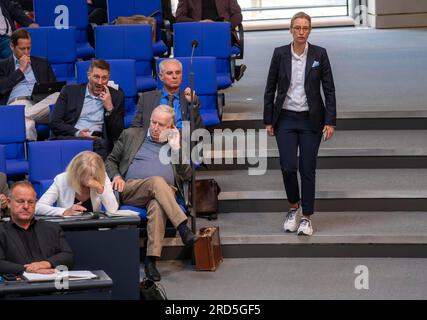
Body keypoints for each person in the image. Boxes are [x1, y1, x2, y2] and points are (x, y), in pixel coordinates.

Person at [263, 12, 336, 236]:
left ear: (310, 30)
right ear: (291, 30)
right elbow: (270, 87)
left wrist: (330, 121)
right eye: (297, 28)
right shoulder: (280, 54)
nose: (301, 32)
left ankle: (306, 217)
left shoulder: (319, 54)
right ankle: (293, 207)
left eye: (305, 28)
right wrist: (268, 119)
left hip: (310, 119)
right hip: (284, 117)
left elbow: (329, 89)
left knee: (307, 168)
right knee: (287, 167)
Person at [106, 105, 198, 282]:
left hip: (165, 195)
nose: (155, 128)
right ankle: (182, 227)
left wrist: (176, 148)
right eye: (153, 122)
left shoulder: (178, 142)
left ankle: (151, 261)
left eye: (161, 125)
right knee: (156, 181)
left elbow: (186, 174)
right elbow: (110, 160)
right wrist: (116, 175)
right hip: (132, 189)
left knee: (157, 205)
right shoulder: (130, 135)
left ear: (171, 127)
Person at [49, 59, 125, 159]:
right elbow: (54, 122)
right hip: (71, 138)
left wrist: (110, 107)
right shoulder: (69, 91)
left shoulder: (116, 96)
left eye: (104, 78)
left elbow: (118, 133)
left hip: (96, 143)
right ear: (89, 75)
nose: (100, 82)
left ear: (108, 78)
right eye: (96, 77)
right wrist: (78, 133)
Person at [0, 181, 73, 275]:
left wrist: (46, 263)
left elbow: (67, 256)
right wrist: (26, 269)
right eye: (20, 201)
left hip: (51, 283)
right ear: (9, 203)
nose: (26, 206)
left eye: (31, 202)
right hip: (17, 285)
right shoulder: (1, 231)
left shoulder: (51, 228)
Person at [0, 29, 58, 140]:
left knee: (59, 95)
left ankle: (19, 115)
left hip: (42, 103)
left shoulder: (42, 62)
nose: (26, 52)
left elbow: (53, 87)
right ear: (12, 46)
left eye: (29, 48)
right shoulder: (3, 66)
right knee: (28, 126)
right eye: (22, 49)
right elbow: (2, 88)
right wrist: (21, 70)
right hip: (19, 102)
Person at [175, 0, 246, 81]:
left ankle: (224, 71)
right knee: (204, 41)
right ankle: (231, 70)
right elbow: (179, 17)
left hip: (222, 31)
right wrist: (199, 23)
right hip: (198, 31)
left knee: (213, 40)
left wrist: (225, 26)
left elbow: (237, 15)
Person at [36, 151, 118, 217]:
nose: (88, 180)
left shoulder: (102, 177)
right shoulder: (62, 179)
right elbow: (38, 207)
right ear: (75, 173)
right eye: (84, 176)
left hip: (93, 228)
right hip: (67, 229)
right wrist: (64, 211)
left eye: (92, 176)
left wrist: (100, 189)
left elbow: (113, 209)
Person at [131, 58, 204, 130]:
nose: (175, 76)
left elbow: (199, 130)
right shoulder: (146, 98)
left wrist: (192, 104)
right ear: (161, 77)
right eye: (169, 73)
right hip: (154, 139)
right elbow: (135, 127)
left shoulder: (189, 98)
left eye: (178, 73)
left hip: (182, 139)